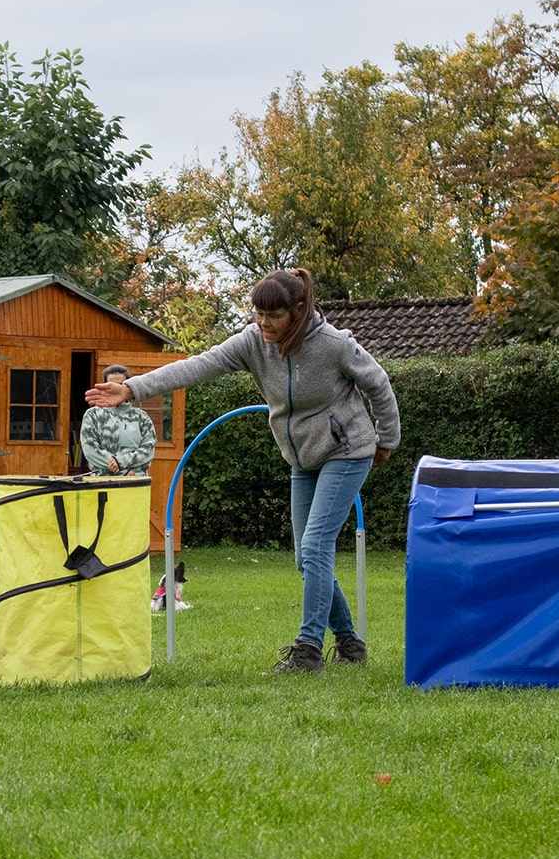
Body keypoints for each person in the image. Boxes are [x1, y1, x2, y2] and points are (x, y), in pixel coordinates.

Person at [85, 268, 400, 672]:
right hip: (301, 457)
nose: (263, 323)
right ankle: (349, 644)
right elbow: (197, 366)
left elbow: (378, 383)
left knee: (316, 546)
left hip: (347, 450)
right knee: (306, 557)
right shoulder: (253, 342)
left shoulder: (333, 345)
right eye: (257, 313)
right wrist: (132, 388)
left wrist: (386, 439)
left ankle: (307, 651)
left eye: (273, 315)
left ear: (299, 311)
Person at [80, 364, 157, 476]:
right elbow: (90, 450)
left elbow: (148, 449)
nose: (116, 389)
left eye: (121, 385)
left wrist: (122, 462)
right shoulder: (93, 416)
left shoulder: (142, 418)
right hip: (103, 483)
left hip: (135, 481)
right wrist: (123, 470)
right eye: (112, 385)